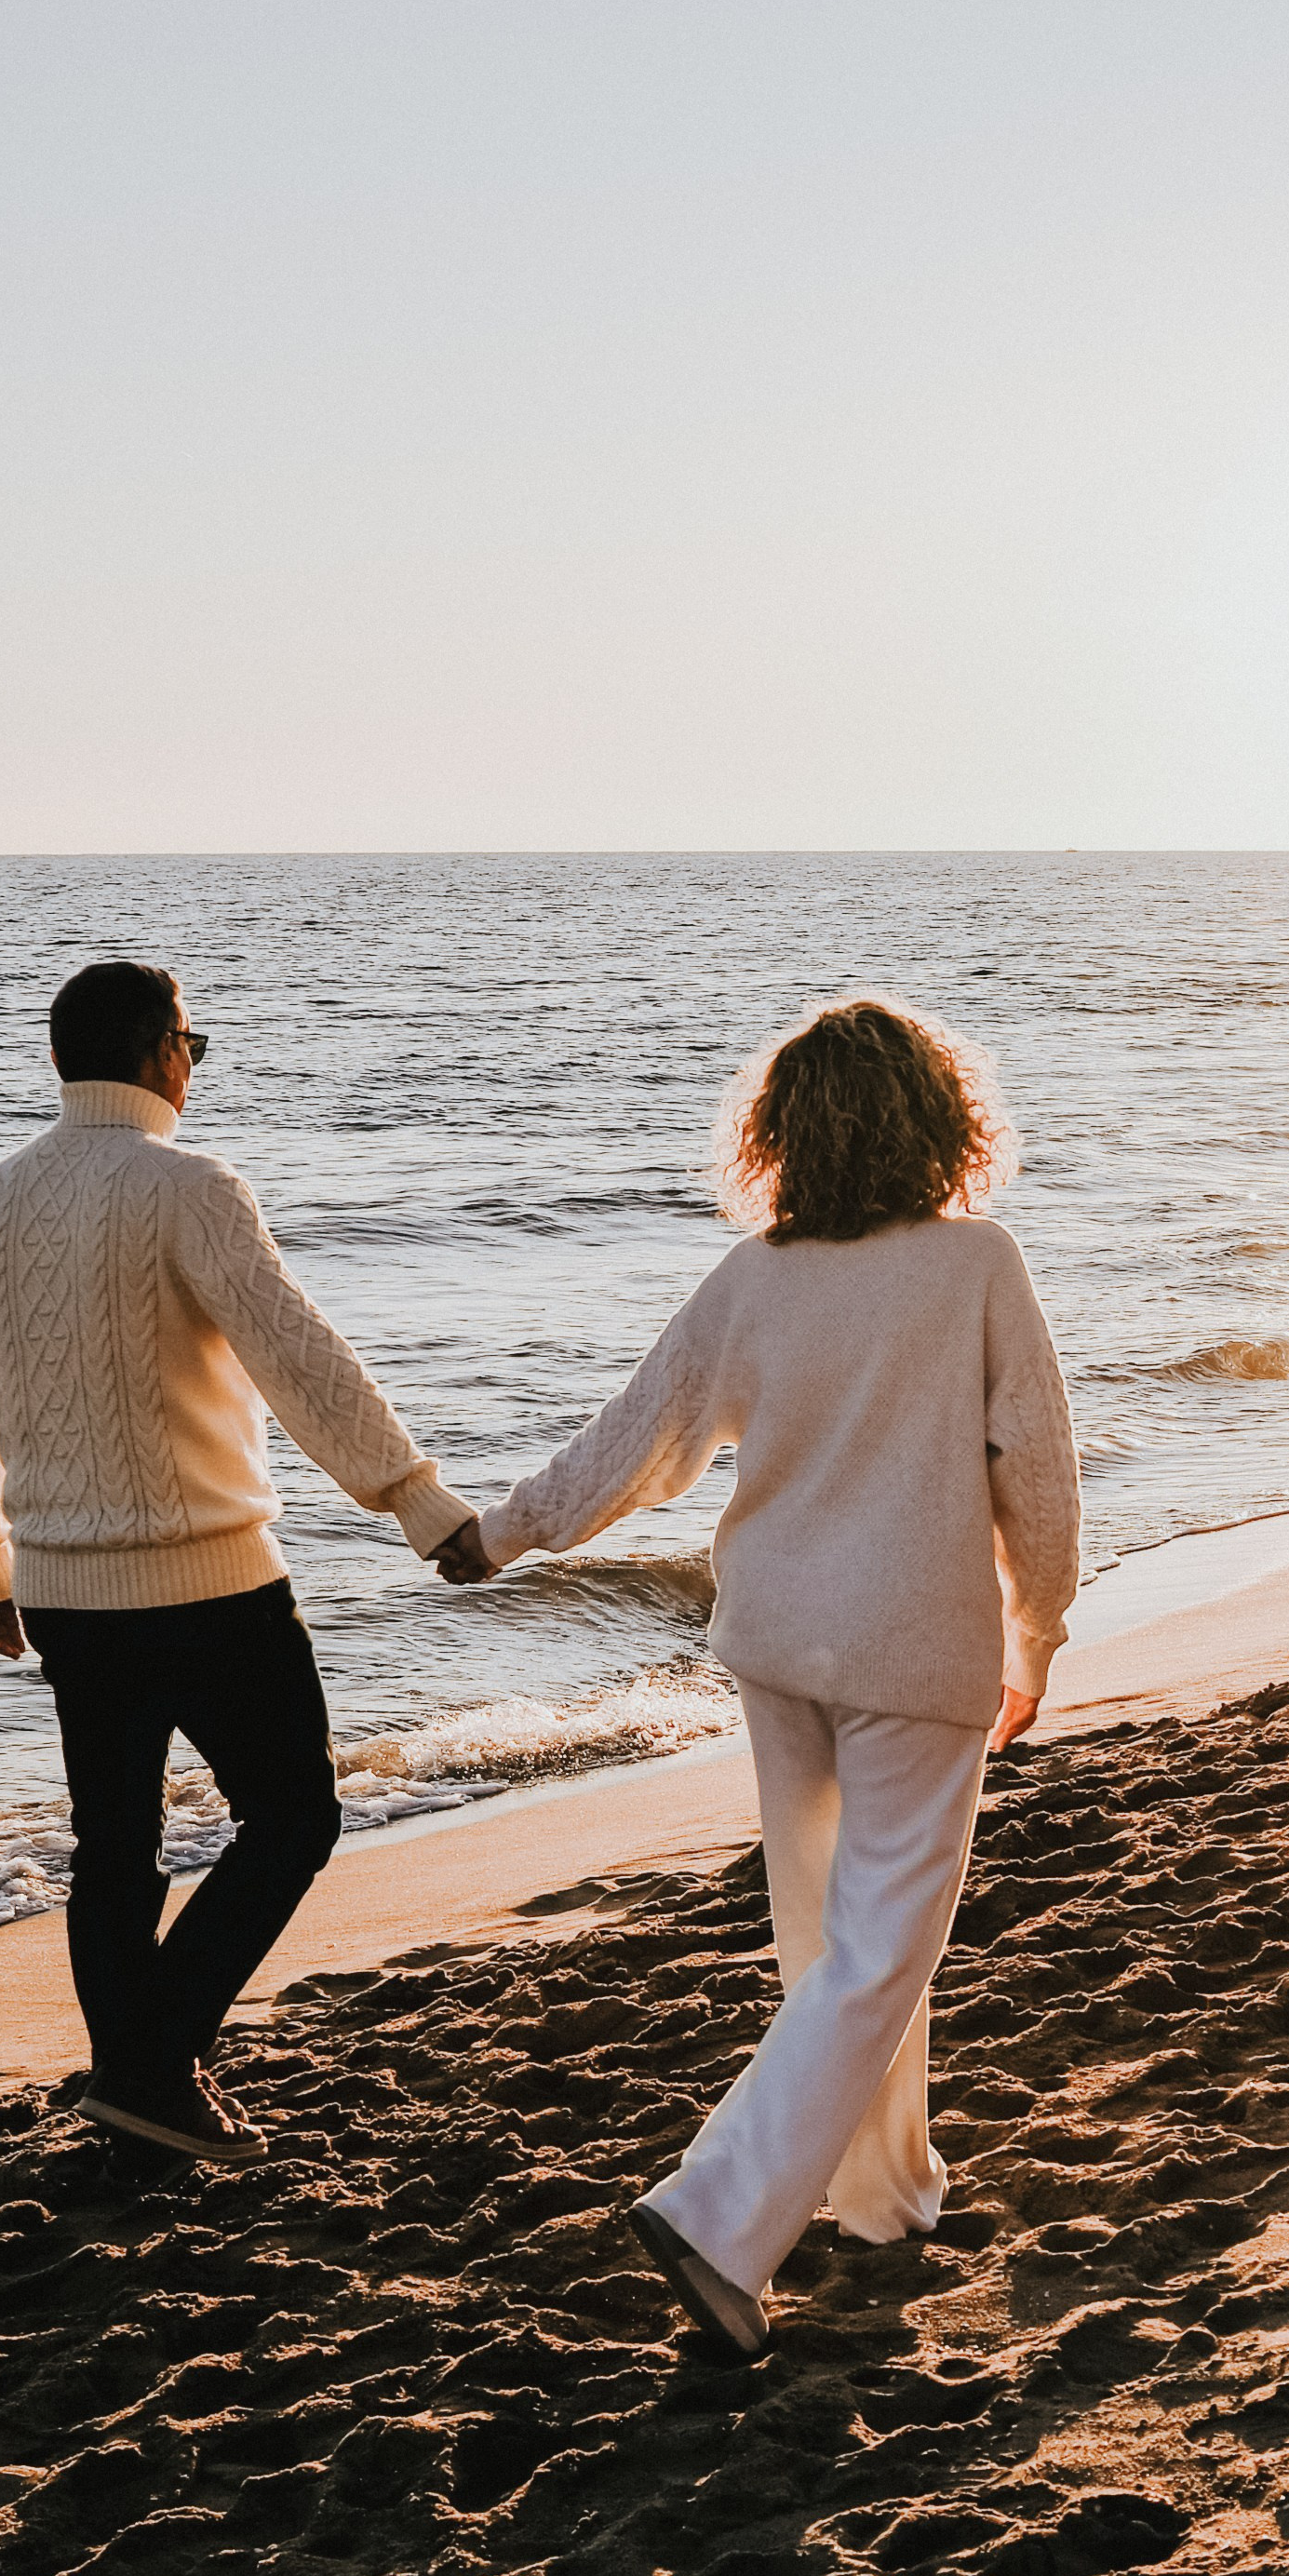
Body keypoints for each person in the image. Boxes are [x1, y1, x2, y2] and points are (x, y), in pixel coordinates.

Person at [450, 997, 1081, 2356]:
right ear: (936, 1122)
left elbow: (632, 1439)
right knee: (876, 1949)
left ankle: (884, 2193)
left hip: (780, 1646)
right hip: (916, 1646)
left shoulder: (755, 1279)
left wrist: (500, 1530)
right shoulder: (976, 1264)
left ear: (781, 1137)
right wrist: (1040, 1626)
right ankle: (721, 2214)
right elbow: (1034, 1468)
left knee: (831, 1947)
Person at [0, 960, 487, 2163]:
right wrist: (417, 1500)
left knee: (114, 1847)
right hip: (208, 1577)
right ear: (159, 1051)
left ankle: (137, 2085)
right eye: (194, 1040)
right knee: (292, 1815)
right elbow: (300, 1354)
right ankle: (151, 2063)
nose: (193, 1061)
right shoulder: (188, 1184)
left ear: (59, 1060)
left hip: (65, 1591)